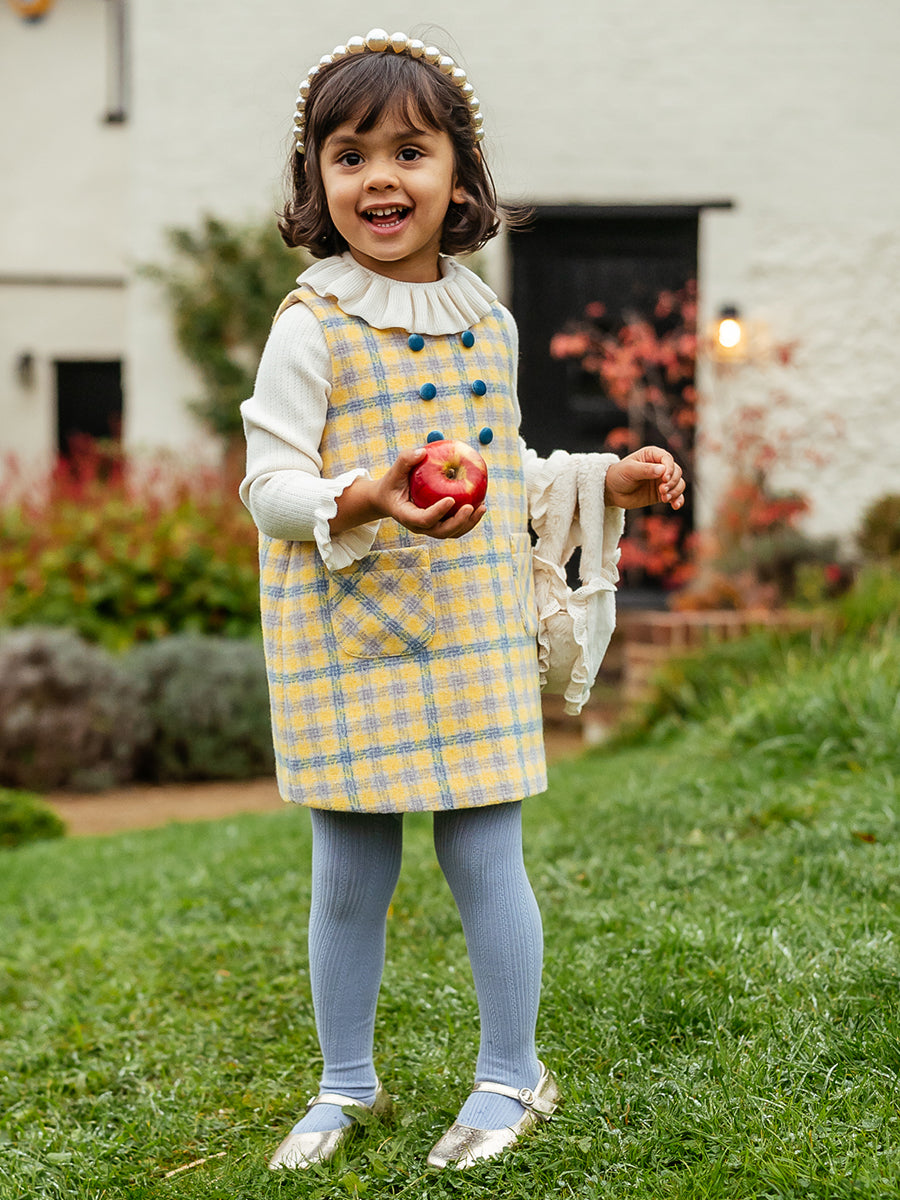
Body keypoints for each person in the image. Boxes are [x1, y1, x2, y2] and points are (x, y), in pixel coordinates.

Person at [240, 28, 686, 1172]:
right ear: (317, 179)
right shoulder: (310, 324)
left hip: (472, 626)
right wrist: (365, 494)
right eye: (349, 155)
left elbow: (503, 467)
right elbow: (270, 488)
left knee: (487, 857)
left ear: (459, 173)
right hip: (349, 635)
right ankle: (347, 1085)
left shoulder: (490, 319)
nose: (379, 178)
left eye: (410, 151)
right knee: (350, 875)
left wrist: (600, 481)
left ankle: (511, 1071)